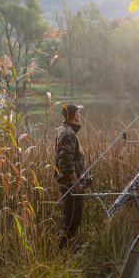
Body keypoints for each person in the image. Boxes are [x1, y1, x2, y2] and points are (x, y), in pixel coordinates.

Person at [55, 102, 86, 251]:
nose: (80, 115)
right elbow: (65, 162)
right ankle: (64, 250)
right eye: (79, 112)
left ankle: (69, 245)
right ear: (75, 115)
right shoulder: (67, 133)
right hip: (71, 183)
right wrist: (76, 182)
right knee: (72, 216)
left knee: (71, 214)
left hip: (71, 182)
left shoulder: (65, 130)